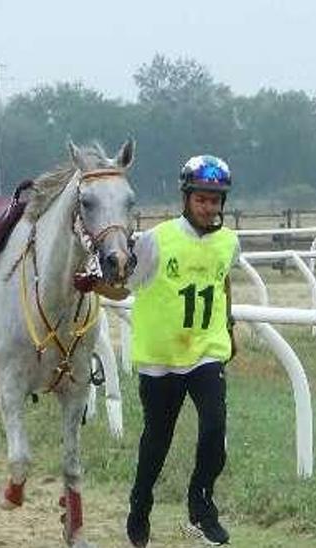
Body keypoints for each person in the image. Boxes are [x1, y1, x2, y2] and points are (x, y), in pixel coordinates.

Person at [120, 155, 239, 546]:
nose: (210, 208)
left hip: (206, 351)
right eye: (202, 199)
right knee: (158, 439)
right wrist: (89, 285)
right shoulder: (157, 240)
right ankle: (140, 502)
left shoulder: (228, 241)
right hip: (161, 357)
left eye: (216, 200)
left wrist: (230, 327)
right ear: (187, 199)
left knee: (215, 426)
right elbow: (124, 286)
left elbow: (223, 282)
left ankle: (201, 502)